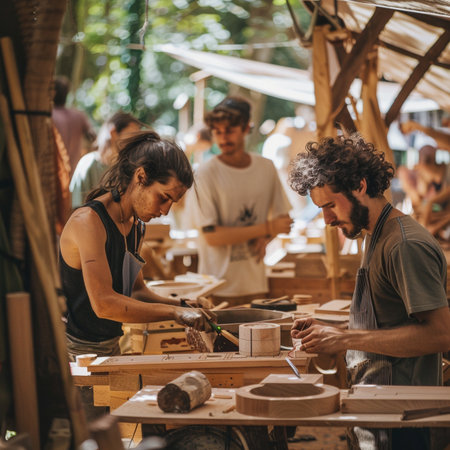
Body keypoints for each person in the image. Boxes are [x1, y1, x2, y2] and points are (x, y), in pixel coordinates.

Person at [288, 134, 450, 449]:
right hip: (377, 408)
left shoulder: (404, 245)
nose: (326, 220)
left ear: (360, 186)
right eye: (321, 209)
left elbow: (441, 334)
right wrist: (332, 330)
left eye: (331, 205)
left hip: (404, 420)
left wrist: (344, 339)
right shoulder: (374, 235)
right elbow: (388, 323)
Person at [60, 130, 212, 360]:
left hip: (110, 348)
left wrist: (183, 305)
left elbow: (136, 292)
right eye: (163, 197)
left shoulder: (135, 225)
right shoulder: (89, 222)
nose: (164, 211)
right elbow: (103, 304)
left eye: (172, 202)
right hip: (77, 354)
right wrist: (175, 312)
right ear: (141, 177)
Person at [187, 96, 293, 306]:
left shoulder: (266, 167)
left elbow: (284, 221)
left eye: (230, 130)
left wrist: (267, 235)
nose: (223, 138)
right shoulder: (205, 174)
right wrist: (267, 227)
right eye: (217, 132)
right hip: (216, 287)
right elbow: (212, 236)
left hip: (256, 285)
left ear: (246, 128)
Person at [69, 111, 142, 209]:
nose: (134, 141)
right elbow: (77, 208)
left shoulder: (129, 167)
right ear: (113, 133)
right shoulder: (88, 164)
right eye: (132, 134)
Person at [52, 76, 96, 177]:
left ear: (53, 92)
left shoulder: (49, 115)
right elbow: (93, 137)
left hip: (53, 168)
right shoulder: (78, 115)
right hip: (74, 169)